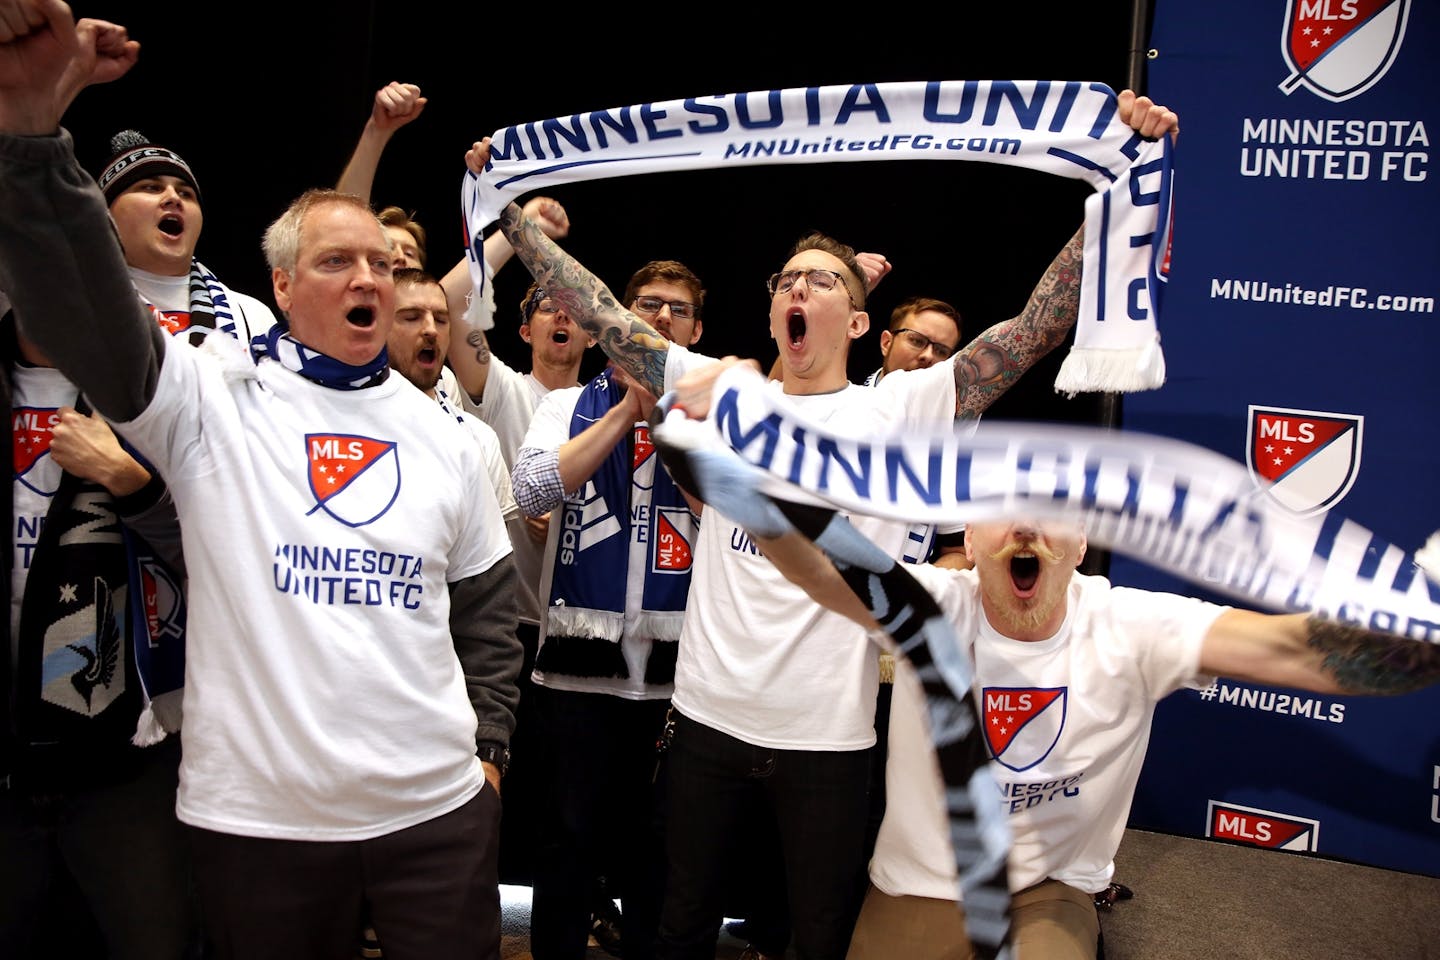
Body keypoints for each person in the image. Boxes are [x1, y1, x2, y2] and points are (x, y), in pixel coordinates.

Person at [491, 84, 1175, 960]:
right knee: (676, 928)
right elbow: (604, 316)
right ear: (775, 306)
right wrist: (510, 215)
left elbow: (1034, 328)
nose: (802, 288)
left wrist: (1119, 193)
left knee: (815, 936)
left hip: (830, 738)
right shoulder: (720, 391)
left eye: (825, 280)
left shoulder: (904, 407)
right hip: (705, 722)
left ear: (857, 319)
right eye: (790, 280)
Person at [0, 8, 522, 958]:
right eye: (335, 261)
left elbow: (490, 603)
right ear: (282, 288)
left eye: (380, 260)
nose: (367, 274)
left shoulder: (442, 428)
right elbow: (83, 306)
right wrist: (34, 136)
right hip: (260, 827)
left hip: (434, 819)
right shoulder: (205, 391)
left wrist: (487, 750)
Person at [716, 505, 1440, 960]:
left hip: (1046, 888)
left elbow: (1312, 652)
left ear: (1081, 542)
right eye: (1003, 511)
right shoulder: (931, 605)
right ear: (970, 540)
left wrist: (1426, 603)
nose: (1027, 527)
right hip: (919, 888)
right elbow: (809, 560)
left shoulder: (1132, 624)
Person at [510, 259, 707, 960]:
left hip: (678, 679)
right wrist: (626, 411)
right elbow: (532, 492)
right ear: (615, 322)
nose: (659, 318)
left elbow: (732, 521)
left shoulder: (716, 418)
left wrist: (673, 425)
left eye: (677, 310)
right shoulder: (567, 404)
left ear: (696, 330)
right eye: (646, 304)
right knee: (565, 846)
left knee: (661, 855)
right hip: (574, 675)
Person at [388, 266, 518, 527]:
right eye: (411, 317)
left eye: (441, 319)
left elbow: (493, 563)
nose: (430, 330)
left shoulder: (479, 441)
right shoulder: (341, 419)